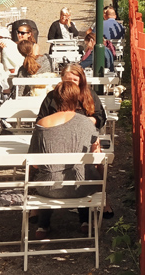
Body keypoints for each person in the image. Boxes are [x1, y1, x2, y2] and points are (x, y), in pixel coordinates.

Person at [28, 82, 102, 238]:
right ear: (77, 99)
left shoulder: (42, 124)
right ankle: (86, 221)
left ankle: (43, 225)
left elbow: (34, 162)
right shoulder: (87, 124)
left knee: (43, 173)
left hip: (47, 188)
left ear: (55, 99)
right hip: (80, 188)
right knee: (86, 171)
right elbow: (96, 157)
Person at [37, 63, 107, 131]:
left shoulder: (89, 94)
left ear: (80, 81)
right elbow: (40, 119)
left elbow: (100, 118)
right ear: (62, 79)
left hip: (83, 132)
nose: (71, 83)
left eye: (75, 80)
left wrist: (84, 122)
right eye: (68, 80)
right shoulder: (52, 96)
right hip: (57, 132)